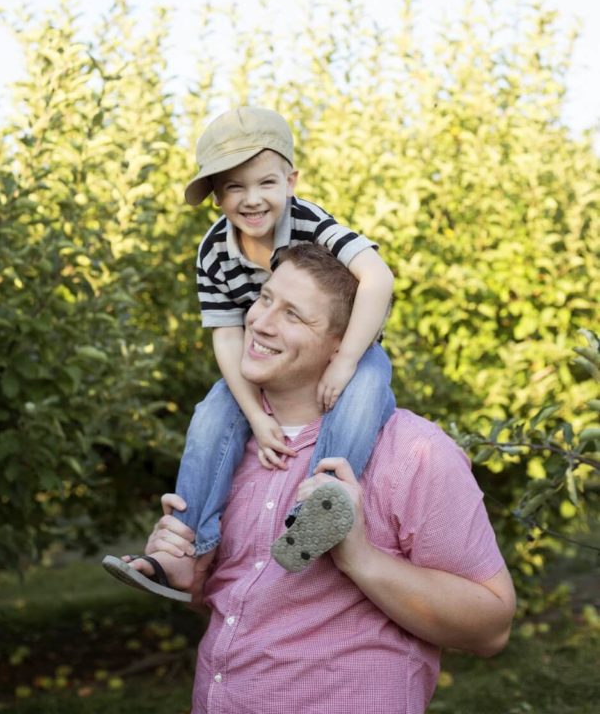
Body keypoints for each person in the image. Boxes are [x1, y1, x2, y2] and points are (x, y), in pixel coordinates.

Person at [138, 245, 517, 714]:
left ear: (343, 342)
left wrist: (360, 558)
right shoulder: (228, 449)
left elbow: (491, 627)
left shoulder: (413, 452)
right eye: (265, 298)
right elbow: (246, 604)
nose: (260, 322)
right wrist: (188, 573)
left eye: (294, 315)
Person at [104, 105, 396, 597]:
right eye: (234, 188)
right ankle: (183, 551)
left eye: (265, 183)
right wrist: (255, 417)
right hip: (266, 357)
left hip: (344, 343)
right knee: (212, 411)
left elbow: (378, 276)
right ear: (217, 197)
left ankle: (318, 508)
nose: (251, 199)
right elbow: (226, 334)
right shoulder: (213, 251)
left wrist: (345, 359)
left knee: (368, 383)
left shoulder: (311, 223)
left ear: (290, 180)